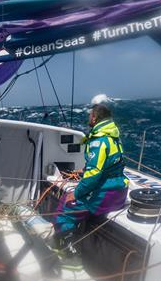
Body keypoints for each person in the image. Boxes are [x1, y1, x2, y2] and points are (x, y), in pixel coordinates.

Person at [52, 101, 129, 244]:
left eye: (90, 116)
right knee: (73, 199)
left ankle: (67, 254)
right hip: (119, 192)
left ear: (94, 118)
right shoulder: (112, 138)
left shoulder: (99, 142)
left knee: (66, 208)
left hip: (107, 194)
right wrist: (83, 172)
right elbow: (107, 166)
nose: (89, 119)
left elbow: (93, 175)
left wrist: (75, 193)